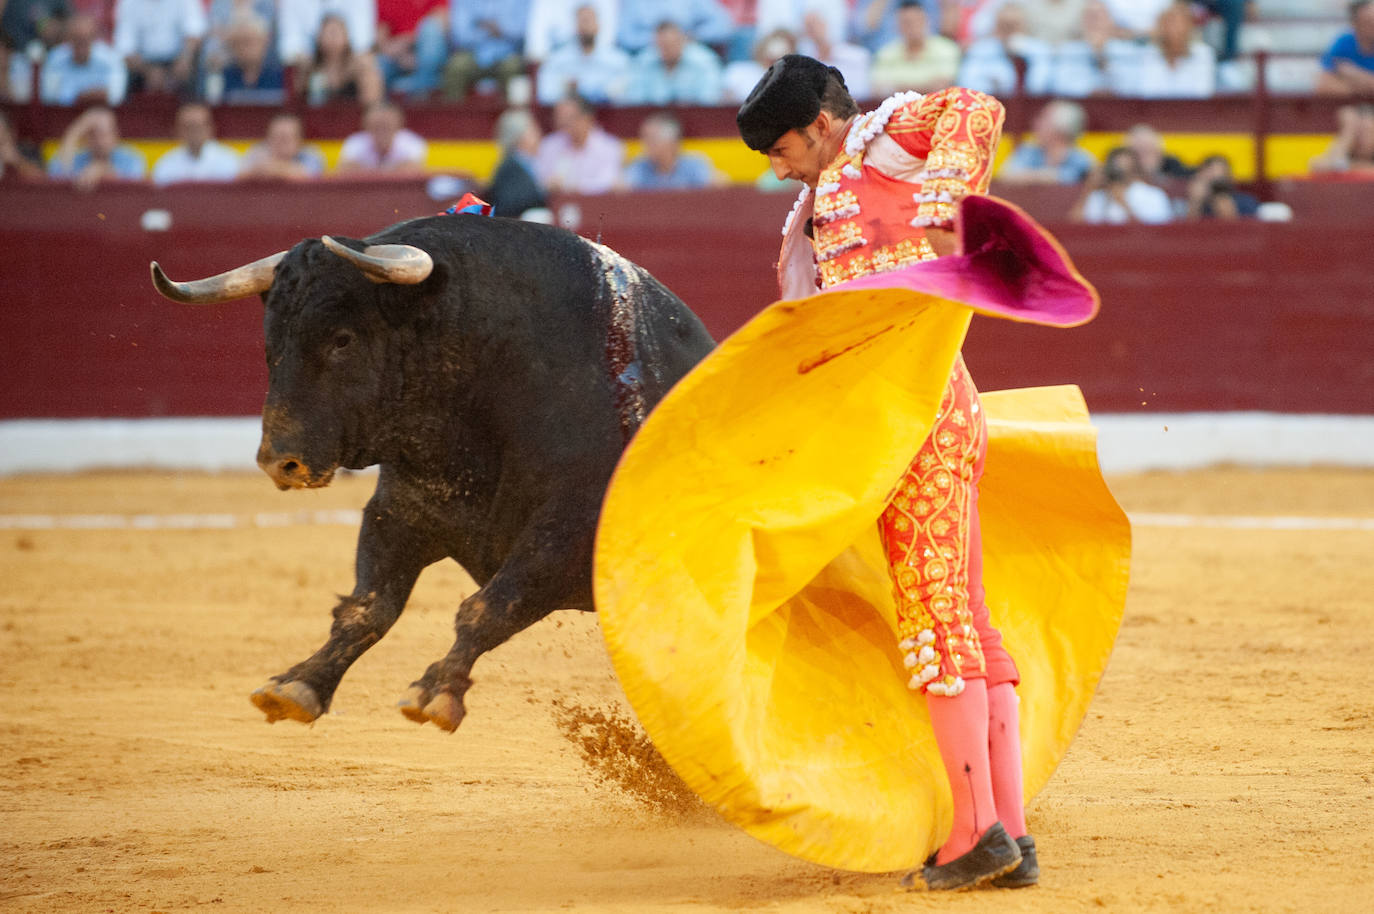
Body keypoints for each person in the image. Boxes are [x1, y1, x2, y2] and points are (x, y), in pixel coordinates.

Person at [735, 54, 1036, 892]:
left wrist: (944, 196)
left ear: (822, 124)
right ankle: (1008, 831)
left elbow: (975, 104)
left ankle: (976, 836)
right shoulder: (821, 198)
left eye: (782, 147)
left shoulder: (883, 148)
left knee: (939, 627)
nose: (779, 166)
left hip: (918, 418)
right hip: (922, 413)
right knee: (967, 624)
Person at [535, 3, 631, 106]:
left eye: (590, 20)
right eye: (582, 21)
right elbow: (545, 95)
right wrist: (566, 91)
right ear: (574, 25)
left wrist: (606, 92)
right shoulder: (557, 60)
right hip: (571, 118)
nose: (586, 26)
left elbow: (629, 97)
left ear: (599, 24)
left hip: (609, 117)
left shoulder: (617, 60)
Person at [955, 2, 1053, 96]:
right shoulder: (979, 50)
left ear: (1024, 25)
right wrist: (993, 85)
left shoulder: (1039, 50)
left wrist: (1020, 55)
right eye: (1005, 25)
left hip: (1032, 108)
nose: (1009, 30)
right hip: (990, 105)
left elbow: (1041, 87)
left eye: (1013, 25)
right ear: (996, 25)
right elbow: (967, 83)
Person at [533, 93, 624, 194]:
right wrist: (548, 185)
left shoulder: (609, 147)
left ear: (587, 118)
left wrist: (574, 187)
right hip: (556, 205)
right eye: (559, 117)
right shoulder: (549, 145)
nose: (563, 123)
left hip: (597, 206)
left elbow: (609, 183)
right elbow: (538, 182)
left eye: (569, 118)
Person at [111, 0, 207, 94]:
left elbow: (195, 32)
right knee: (124, 70)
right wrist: (148, 72)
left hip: (179, 60)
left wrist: (185, 59)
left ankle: (192, 107)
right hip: (143, 65)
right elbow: (125, 47)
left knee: (193, 68)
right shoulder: (128, 2)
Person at [623, 20, 726, 105]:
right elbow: (634, 102)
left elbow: (710, 101)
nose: (667, 49)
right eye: (662, 45)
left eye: (672, 44)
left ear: (683, 40)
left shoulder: (704, 62)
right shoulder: (643, 62)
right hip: (653, 121)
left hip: (695, 120)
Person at [442, 0, 529, 101]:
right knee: (456, 66)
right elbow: (460, 35)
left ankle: (511, 115)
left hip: (509, 53)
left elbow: (524, 31)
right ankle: (454, 115)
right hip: (473, 53)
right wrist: (489, 31)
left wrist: (501, 29)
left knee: (513, 67)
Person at [1127, 1, 1216, 98]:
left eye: (1181, 23)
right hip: (1156, 112)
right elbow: (1146, 94)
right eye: (1170, 23)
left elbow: (1202, 94)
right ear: (1161, 26)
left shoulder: (1203, 54)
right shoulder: (1148, 54)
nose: (1176, 29)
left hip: (1193, 112)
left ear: (1189, 26)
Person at [870, 0, 960, 95]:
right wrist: (925, 86)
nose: (913, 27)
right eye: (906, 23)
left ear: (927, 21)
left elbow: (943, 85)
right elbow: (878, 89)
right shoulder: (886, 53)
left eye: (917, 21)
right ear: (897, 25)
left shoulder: (946, 49)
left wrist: (898, 88)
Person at [997, 98, 1095, 184]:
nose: (1036, 123)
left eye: (1044, 119)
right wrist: (1046, 176)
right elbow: (1005, 176)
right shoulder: (1028, 152)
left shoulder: (1082, 160)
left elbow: (1092, 181)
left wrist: (1037, 177)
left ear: (1060, 128)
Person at [47, 105, 146, 190]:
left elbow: (131, 193)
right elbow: (56, 171)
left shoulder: (131, 159)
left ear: (115, 135)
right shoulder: (77, 158)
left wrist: (103, 170)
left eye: (104, 134)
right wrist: (76, 131)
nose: (99, 141)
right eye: (93, 134)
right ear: (85, 138)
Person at [620, 111, 726, 190]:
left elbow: (719, 183)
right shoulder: (639, 166)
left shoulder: (694, 164)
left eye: (651, 139)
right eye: (644, 139)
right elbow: (621, 186)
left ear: (670, 142)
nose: (645, 145)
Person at [39, 12, 127, 105]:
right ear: (68, 39)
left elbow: (116, 97)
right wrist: (82, 97)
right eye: (77, 39)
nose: (81, 45)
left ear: (94, 39)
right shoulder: (55, 59)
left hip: (101, 113)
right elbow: (48, 97)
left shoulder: (111, 59)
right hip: (63, 116)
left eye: (85, 39)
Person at [1069, 145, 1173, 223]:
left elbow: (1158, 234)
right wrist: (1089, 188)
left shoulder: (1152, 195)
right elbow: (1074, 226)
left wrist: (1123, 204)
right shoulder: (1098, 196)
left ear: (1135, 169)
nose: (1119, 173)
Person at [300, 13, 383, 106]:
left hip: (355, 116)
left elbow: (373, 102)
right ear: (318, 37)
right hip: (318, 117)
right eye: (327, 33)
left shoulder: (361, 66)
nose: (332, 39)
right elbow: (299, 101)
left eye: (335, 33)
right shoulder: (309, 67)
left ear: (346, 37)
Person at [150, 103, 240, 186]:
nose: (194, 132)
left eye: (199, 126)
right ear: (178, 131)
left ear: (211, 128)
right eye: (189, 127)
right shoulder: (166, 163)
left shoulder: (229, 160)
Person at [208, 12, 286, 104]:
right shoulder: (222, 76)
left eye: (250, 42)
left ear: (265, 42)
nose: (244, 49)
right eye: (238, 43)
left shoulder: (281, 74)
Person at [374, 0, 447, 96]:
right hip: (398, 56)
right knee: (378, 65)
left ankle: (421, 91)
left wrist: (408, 41)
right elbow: (381, 40)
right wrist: (400, 56)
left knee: (431, 33)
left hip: (428, 55)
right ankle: (381, 108)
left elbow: (442, 23)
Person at [484, 107, 547, 218]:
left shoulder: (525, 163)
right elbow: (512, 203)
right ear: (519, 137)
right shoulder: (511, 167)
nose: (538, 135)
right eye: (533, 130)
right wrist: (545, 190)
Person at [337, 100, 427, 174]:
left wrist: (365, 170)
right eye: (376, 126)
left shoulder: (412, 142)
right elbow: (344, 170)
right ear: (365, 125)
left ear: (399, 124)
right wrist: (392, 170)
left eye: (386, 126)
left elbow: (412, 170)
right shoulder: (354, 142)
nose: (381, 131)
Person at [797, 9, 871, 99]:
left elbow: (862, 91)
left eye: (816, 24)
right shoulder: (804, 64)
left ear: (825, 24)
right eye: (808, 27)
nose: (813, 30)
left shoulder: (856, 56)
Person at [238, 112, 325, 180]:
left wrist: (275, 168)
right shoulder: (257, 151)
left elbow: (310, 177)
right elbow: (239, 177)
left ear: (299, 140)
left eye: (285, 138)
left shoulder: (311, 154)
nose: (279, 143)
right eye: (275, 137)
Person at [1315, 0, 1374, 97]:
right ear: (1355, 23)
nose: (1372, 25)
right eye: (1367, 22)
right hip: (1352, 104)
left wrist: (1353, 73)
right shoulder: (1344, 42)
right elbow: (1324, 82)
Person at [1182, 153, 1257, 220]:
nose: (1215, 176)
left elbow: (1244, 230)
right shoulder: (1183, 204)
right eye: (1210, 172)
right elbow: (1187, 230)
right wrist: (1195, 202)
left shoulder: (1246, 202)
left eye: (1221, 173)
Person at [1309, 103, 1374, 175]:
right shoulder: (1343, 157)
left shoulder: (1346, 164)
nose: (1363, 138)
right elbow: (1317, 166)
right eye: (1358, 133)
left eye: (1368, 131)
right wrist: (1348, 130)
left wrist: (1342, 167)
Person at [0, 111, 45, 181]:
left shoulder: (28, 150)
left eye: (2, 141)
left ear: (12, 133)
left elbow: (44, 182)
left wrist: (17, 160)